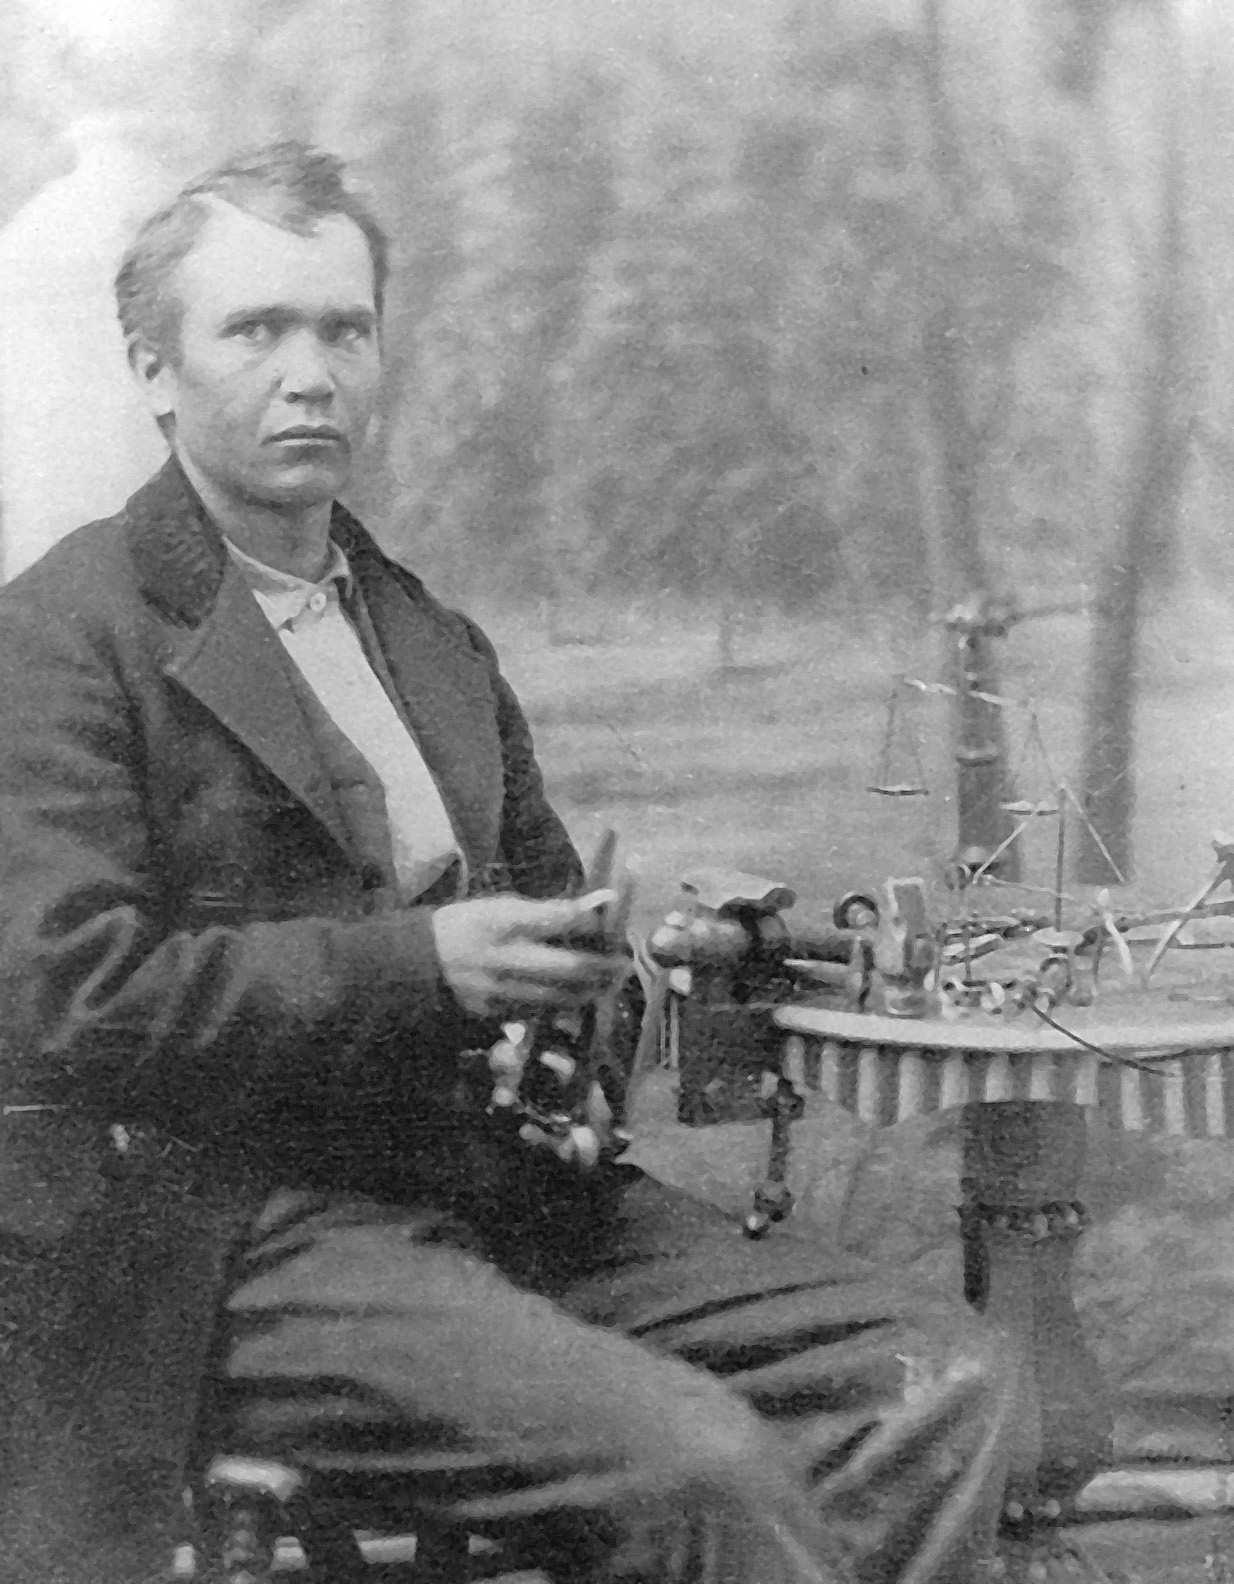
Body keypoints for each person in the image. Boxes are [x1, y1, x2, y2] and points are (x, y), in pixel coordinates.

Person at [0, 143, 1014, 1583]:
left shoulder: (426, 639)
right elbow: (59, 993)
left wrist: (597, 976)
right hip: (241, 1240)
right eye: (256, 329)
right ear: (153, 370)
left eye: (344, 329)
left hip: (499, 1191)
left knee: (937, 1375)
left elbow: (539, 913)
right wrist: (416, 966)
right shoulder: (65, 636)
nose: (311, 373)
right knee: (700, 1465)